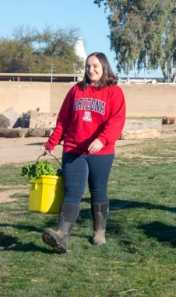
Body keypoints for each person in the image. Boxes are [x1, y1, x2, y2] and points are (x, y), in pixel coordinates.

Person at [41, 52, 126, 253]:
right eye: (88, 66)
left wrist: (102, 139)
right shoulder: (76, 90)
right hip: (73, 149)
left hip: (101, 152)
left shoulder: (114, 92)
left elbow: (117, 121)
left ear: (104, 66)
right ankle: (61, 236)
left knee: (98, 190)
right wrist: (52, 143)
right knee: (72, 192)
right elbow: (63, 120)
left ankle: (99, 232)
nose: (91, 70)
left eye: (95, 66)